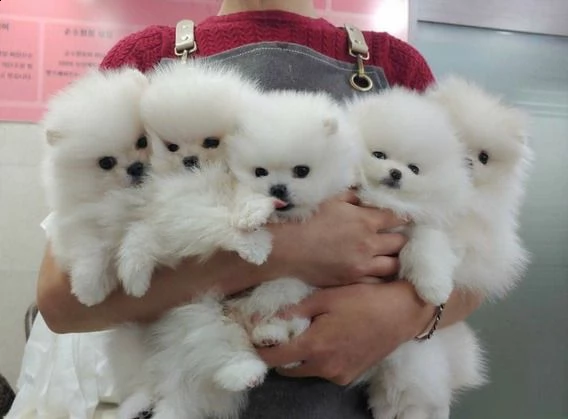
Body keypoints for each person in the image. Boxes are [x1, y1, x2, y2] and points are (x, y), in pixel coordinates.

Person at [36, 0, 484, 417]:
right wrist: (286, 251)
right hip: (183, 383)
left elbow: (476, 258)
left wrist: (399, 317)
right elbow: (62, 303)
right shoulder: (144, 59)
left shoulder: (396, 64)